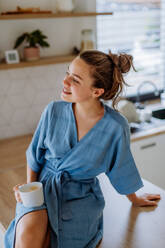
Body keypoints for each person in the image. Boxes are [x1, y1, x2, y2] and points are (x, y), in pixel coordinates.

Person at [4, 50, 161, 248]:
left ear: (97, 91)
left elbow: (121, 167)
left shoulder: (115, 126)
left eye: (75, 80)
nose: (65, 81)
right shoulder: (53, 111)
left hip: (80, 199)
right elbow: (34, 155)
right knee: (28, 235)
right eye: (67, 73)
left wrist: (135, 198)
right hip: (42, 190)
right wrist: (30, 192)